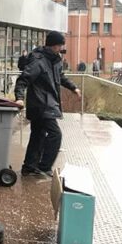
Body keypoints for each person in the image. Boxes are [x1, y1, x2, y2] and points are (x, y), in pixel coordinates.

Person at [14, 31, 81, 178]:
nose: (61, 49)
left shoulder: (54, 60)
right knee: (55, 135)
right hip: (41, 104)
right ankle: (44, 166)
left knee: (37, 135)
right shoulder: (38, 61)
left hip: (47, 103)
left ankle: (29, 167)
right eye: (59, 45)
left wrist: (73, 88)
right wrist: (19, 97)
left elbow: (60, 77)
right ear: (53, 45)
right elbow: (23, 79)